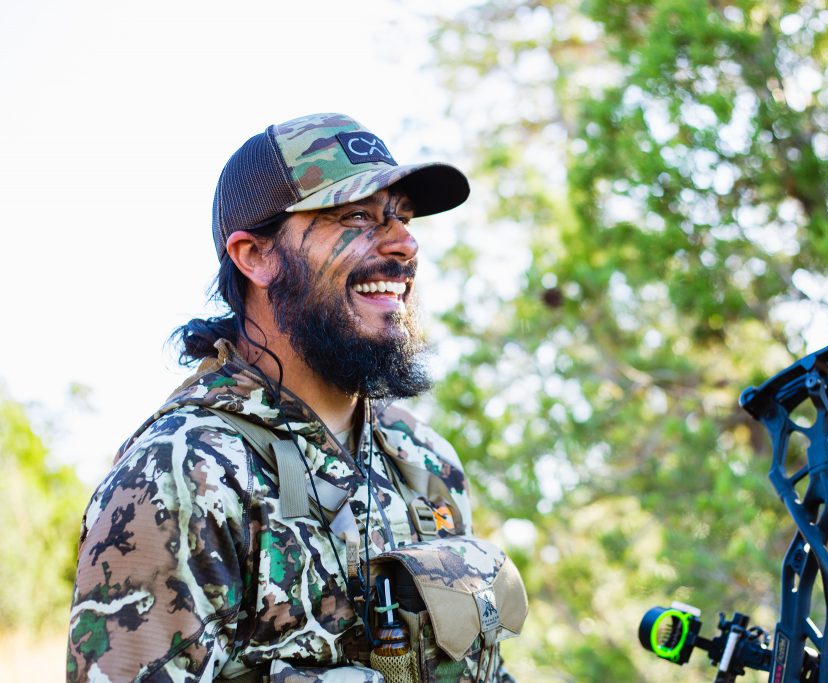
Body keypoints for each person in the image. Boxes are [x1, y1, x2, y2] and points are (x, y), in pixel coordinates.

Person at [67, 113, 526, 683]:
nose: (404, 244)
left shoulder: (422, 458)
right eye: (356, 216)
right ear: (256, 256)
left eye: (402, 217)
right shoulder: (185, 471)